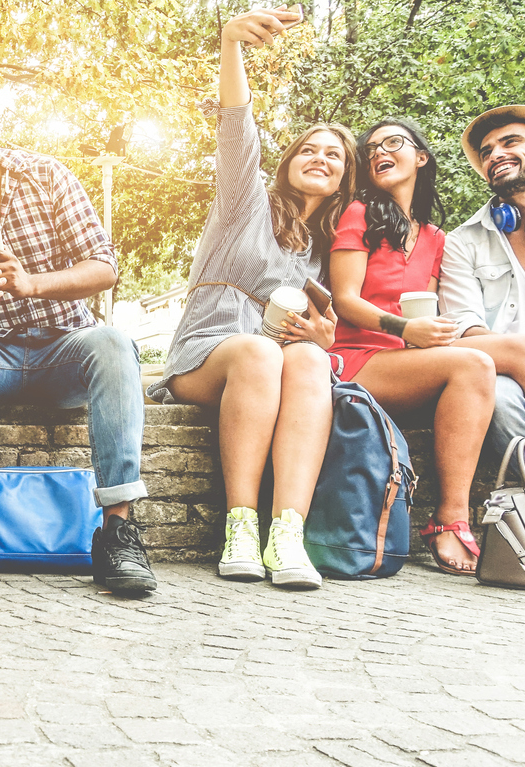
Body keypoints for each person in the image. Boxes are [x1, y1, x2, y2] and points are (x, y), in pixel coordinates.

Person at [0, 65, 150, 594]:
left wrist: (32, 283)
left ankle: (119, 530)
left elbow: (104, 267)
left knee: (112, 342)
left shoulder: (47, 174)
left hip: (63, 348)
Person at [149, 8, 356, 590]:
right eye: (308, 150)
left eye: (335, 155)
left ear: (345, 178)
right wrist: (231, 45)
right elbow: (237, 128)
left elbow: (324, 333)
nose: (320, 157)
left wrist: (320, 339)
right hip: (208, 355)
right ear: (286, 164)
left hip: (274, 362)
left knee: (312, 359)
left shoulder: (325, 251)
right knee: (261, 354)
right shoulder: (247, 204)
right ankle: (240, 525)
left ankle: (287, 532)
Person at [332, 117, 525, 576]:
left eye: (393, 142)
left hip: (409, 357)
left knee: (482, 362)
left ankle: (454, 520)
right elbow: (345, 300)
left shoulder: (437, 237)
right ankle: (450, 519)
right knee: (505, 355)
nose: (378, 150)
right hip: (359, 356)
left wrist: (426, 333)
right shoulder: (359, 213)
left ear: (421, 157)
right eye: (371, 148)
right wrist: (405, 329)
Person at [441, 106, 525, 488]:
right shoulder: (464, 241)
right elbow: (466, 329)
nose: (495, 154)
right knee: (497, 396)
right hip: (514, 369)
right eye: (486, 151)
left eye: (510, 142)